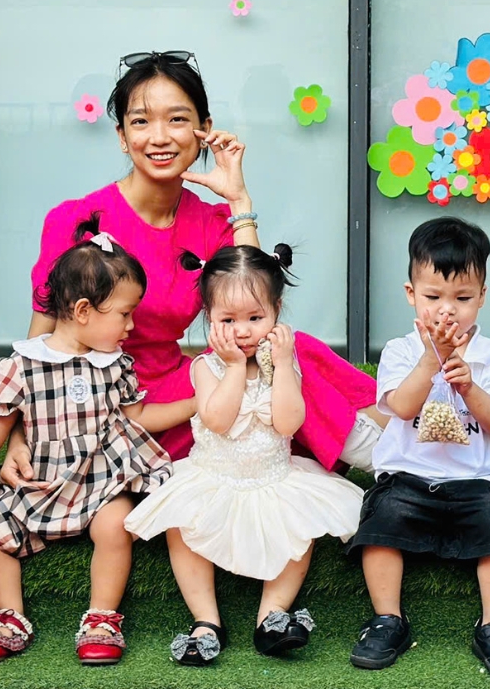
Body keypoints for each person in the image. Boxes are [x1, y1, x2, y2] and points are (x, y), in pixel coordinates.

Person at [24, 50, 379, 467]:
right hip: (106, 402)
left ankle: (397, 442)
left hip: (179, 389)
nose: (159, 137)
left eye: (176, 119)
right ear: (122, 136)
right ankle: (394, 454)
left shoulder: (212, 222)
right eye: (141, 122)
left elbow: (254, 303)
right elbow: (38, 347)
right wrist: (19, 439)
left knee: (286, 348)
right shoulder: (76, 220)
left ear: (204, 130)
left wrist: (239, 199)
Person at [125, 245, 364, 663]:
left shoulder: (285, 363)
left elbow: (288, 423)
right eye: (228, 320)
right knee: (182, 531)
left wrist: (284, 366)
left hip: (274, 477)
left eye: (255, 318)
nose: (243, 332)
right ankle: (206, 620)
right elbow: (217, 420)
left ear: (277, 311)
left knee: (301, 533)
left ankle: (272, 615)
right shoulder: (205, 367)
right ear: (208, 317)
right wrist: (235, 367)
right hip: (213, 476)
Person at [0, 221, 172, 666]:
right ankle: (8, 617)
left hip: (102, 476)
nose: (131, 325)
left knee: (115, 524)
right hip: (43, 477)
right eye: (125, 314)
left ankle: (102, 618)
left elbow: (137, 418)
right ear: (83, 311)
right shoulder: (23, 365)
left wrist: (197, 404)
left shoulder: (114, 364)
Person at [348, 217, 490, 679]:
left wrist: (470, 388)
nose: (447, 310)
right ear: (411, 294)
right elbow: (402, 408)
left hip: (477, 482)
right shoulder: (401, 351)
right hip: (408, 478)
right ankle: (387, 618)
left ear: (482, 296)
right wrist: (432, 359)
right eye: (433, 297)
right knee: (381, 524)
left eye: (462, 298)